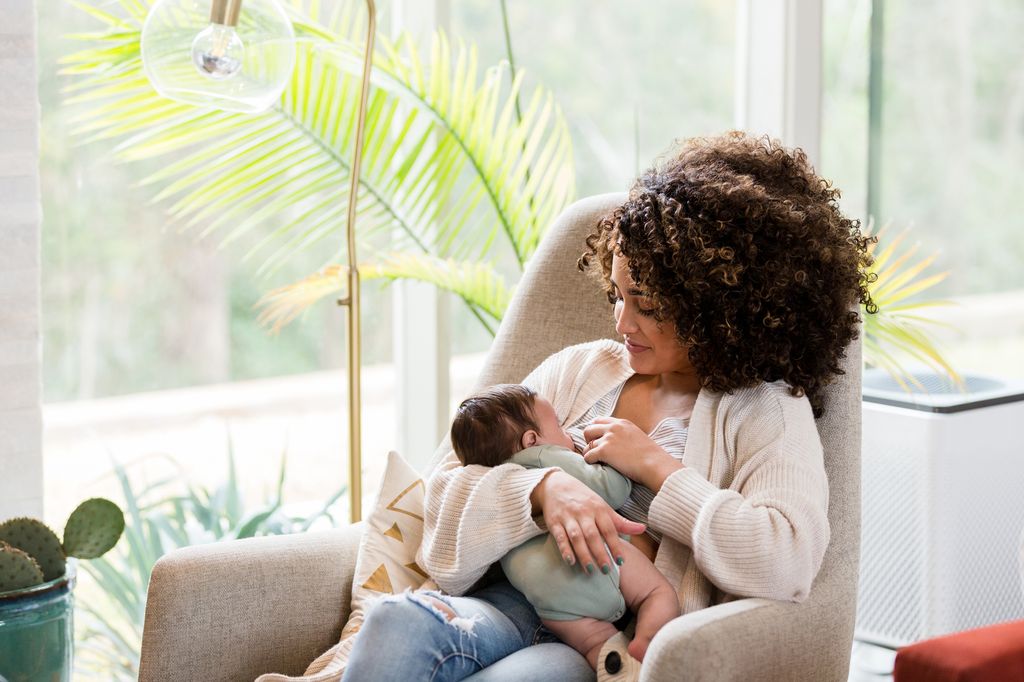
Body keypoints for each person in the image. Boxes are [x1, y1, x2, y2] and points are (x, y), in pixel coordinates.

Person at [341, 131, 876, 682]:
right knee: (395, 622)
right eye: (618, 294)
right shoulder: (578, 369)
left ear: (717, 307)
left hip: (600, 643)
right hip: (503, 600)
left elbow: (785, 559)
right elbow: (445, 493)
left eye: (646, 305)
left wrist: (656, 469)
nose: (622, 323)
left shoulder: (764, 410)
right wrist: (541, 491)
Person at [449, 383, 680, 675]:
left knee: (594, 643)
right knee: (657, 593)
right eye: (558, 424)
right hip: (597, 560)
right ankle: (646, 645)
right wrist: (611, 460)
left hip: (545, 597)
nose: (568, 432)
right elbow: (612, 490)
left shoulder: (492, 478)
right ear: (532, 439)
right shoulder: (547, 458)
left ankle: (616, 667)